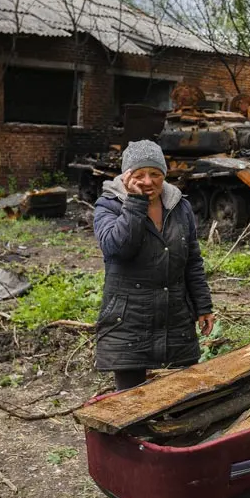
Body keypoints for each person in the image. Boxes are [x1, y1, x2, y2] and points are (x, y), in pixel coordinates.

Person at [93, 139, 215, 390]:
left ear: (165, 175)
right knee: (128, 403)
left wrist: (203, 305)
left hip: (175, 316)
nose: (148, 181)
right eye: (140, 174)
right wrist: (135, 203)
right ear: (127, 176)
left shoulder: (180, 207)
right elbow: (118, 249)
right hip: (127, 319)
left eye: (155, 174)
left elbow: (192, 260)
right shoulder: (109, 205)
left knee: (184, 394)